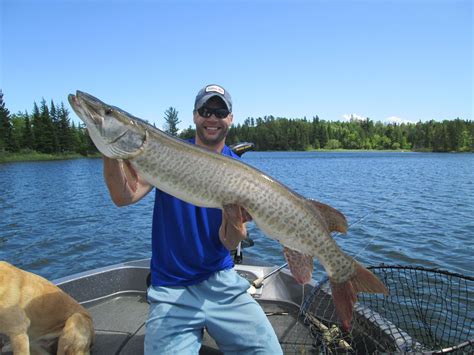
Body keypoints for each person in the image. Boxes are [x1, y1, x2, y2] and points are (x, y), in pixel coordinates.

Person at [103, 84, 283, 354]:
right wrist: (110, 149)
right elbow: (123, 197)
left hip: (220, 281)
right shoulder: (167, 152)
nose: (212, 118)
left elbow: (229, 241)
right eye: (205, 110)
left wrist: (235, 220)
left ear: (230, 118)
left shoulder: (240, 171)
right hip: (171, 288)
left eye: (220, 112)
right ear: (195, 116)